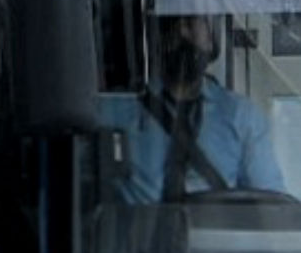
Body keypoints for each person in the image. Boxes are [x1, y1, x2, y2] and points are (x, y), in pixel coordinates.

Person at [103, 13, 285, 202]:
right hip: (143, 230)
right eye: (174, 24)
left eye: (192, 22)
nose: (183, 32)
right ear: (153, 38)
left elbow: (271, 205)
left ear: (212, 38)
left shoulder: (241, 116)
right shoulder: (114, 110)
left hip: (215, 229)